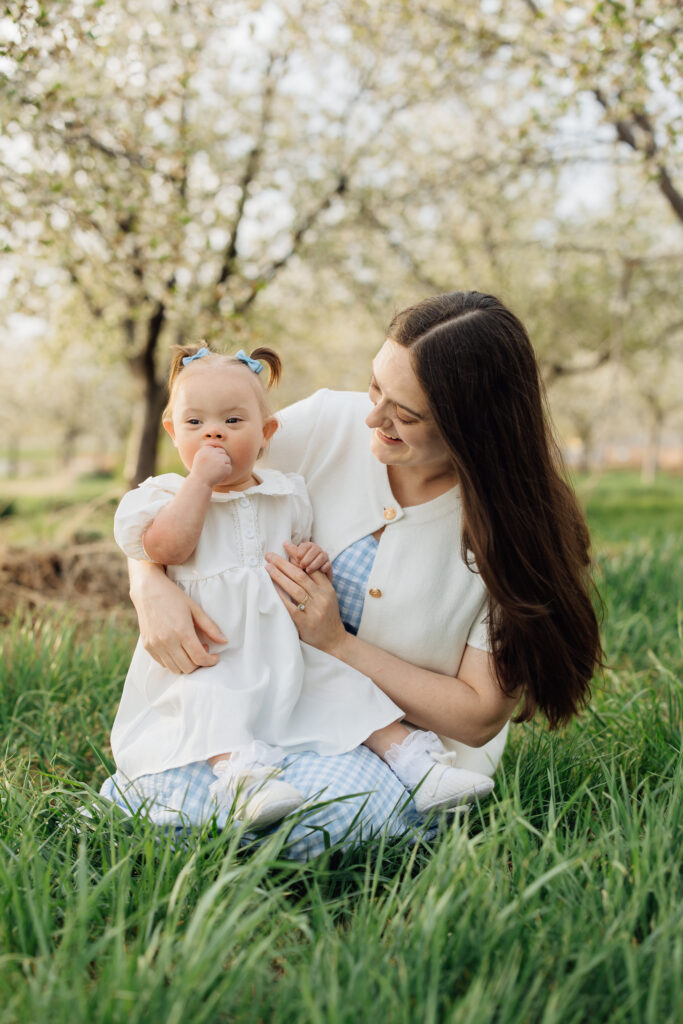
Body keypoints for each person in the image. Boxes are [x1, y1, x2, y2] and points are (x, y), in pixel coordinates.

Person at [101, 291, 602, 858]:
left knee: (322, 825)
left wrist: (335, 643)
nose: (372, 417)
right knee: (168, 788)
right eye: (375, 387)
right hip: (260, 703)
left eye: (405, 414)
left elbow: (479, 713)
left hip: (403, 745)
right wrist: (148, 582)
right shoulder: (329, 426)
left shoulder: (513, 535)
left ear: (472, 429)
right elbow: (200, 485)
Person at [109, 343, 495, 829]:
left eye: (231, 422)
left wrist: (313, 560)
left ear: (266, 433)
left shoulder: (284, 491)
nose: (213, 433)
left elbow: (299, 546)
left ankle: (423, 769)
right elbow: (161, 546)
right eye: (194, 424)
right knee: (212, 702)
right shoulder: (164, 494)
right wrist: (148, 585)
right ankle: (246, 784)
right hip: (215, 651)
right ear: (171, 429)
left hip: (288, 648)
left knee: (347, 692)